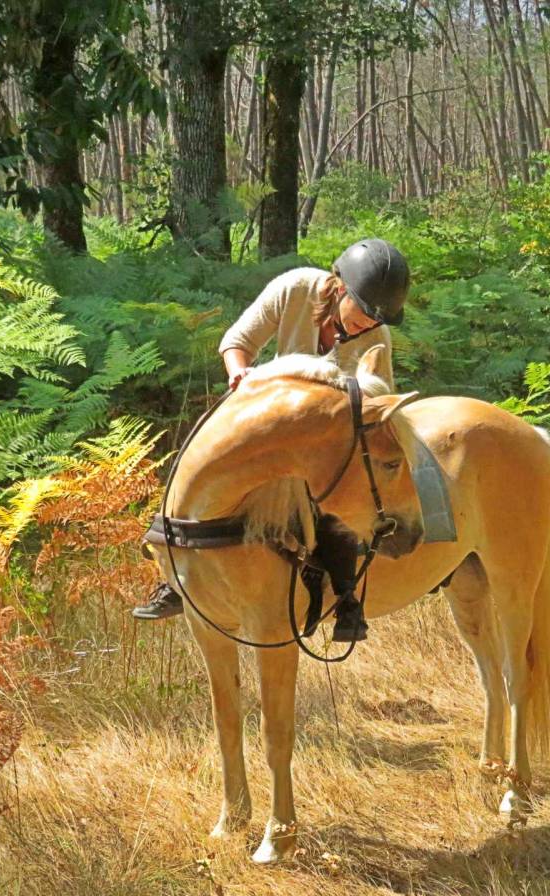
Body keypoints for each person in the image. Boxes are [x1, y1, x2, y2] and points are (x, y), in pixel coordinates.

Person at [132, 238, 411, 642]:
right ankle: (174, 578)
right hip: (264, 419)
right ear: (340, 287)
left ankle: (346, 595)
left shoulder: (377, 336)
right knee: (196, 462)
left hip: (321, 445)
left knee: (339, 493)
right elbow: (236, 342)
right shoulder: (295, 287)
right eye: (364, 312)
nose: (369, 325)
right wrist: (240, 375)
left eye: (378, 320)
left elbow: (376, 399)